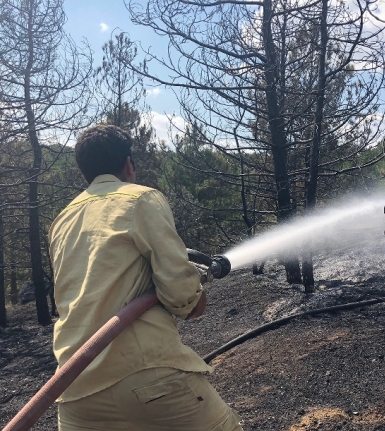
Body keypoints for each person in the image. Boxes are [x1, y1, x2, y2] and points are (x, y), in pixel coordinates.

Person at [49, 124, 242, 431]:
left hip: (74, 391)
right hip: (145, 379)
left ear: (84, 174)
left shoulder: (63, 219)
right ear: (128, 163)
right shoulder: (141, 199)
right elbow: (182, 296)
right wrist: (195, 297)